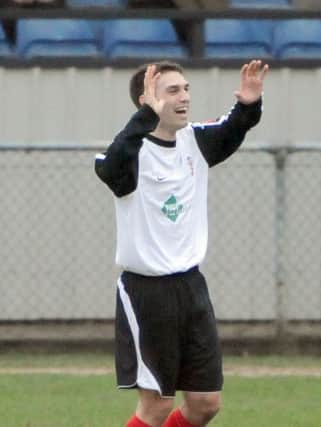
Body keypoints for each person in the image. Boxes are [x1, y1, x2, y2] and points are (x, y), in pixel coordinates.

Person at [94, 59, 268, 427]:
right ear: (148, 100)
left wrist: (249, 104)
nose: (184, 96)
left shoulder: (195, 141)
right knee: (156, 406)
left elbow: (233, 127)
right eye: (173, 90)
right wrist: (143, 118)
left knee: (206, 404)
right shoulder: (130, 154)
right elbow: (110, 167)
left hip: (191, 287)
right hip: (146, 292)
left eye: (186, 88)